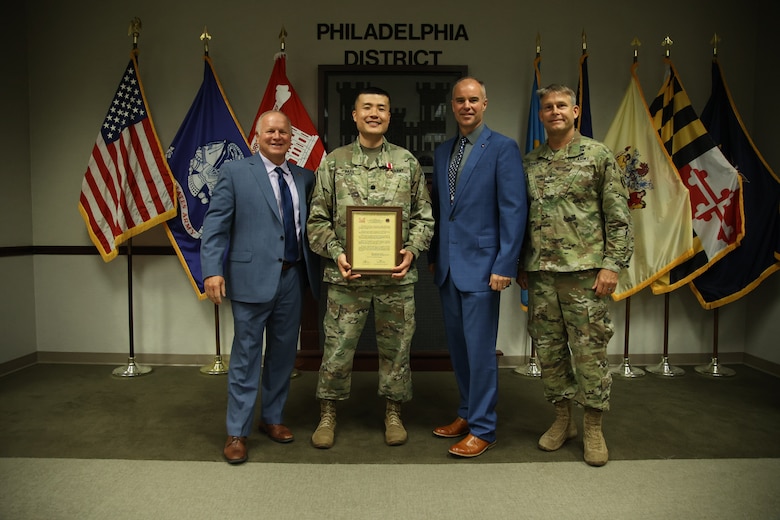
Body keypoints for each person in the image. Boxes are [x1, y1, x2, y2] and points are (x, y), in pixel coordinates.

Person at [307, 86, 434, 449]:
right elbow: (317, 220)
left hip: (396, 278)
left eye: (381, 108)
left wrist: (412, 250)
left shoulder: (407, 163)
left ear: (390, 116)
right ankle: (328, 412)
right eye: (367, 108)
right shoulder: (334, 162)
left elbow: (425, 217)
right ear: (354, 115)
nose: (374, 113)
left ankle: (394, 411)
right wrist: (336, 253)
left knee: (397, 349)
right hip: (347, 278)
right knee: (336, 348)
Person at [517, 84, 633, 467]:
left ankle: (594, 427)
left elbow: (618, 216)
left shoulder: (597, 155)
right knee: (549, 353)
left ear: (575, 110)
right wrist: (521, 264)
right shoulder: (531, 162)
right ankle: (562, 419)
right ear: (541, 114)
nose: (554, 112)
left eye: (561, 105)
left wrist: (612, 265)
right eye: (548, 107)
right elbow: (523, 219)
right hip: (541, 275)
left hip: (585, 274)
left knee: (589, 354)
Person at [200, 110, 320, 464]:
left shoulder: (305, 177)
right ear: (258, 135)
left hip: (292, 278)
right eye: (271, 131)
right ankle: (237, 431)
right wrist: (212, 271)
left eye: (283, 131)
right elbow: (215, 226)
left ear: (290, 137)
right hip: (250, 279)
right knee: (246, 356)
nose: (278, 136)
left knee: (283, 355)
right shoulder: (235, 173)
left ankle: (273, 418)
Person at [428, 77, 527, 458]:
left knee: (481, 351)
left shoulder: (502, 148)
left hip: (486, 269)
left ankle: (484, 429)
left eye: (473, 100)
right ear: (452, 106)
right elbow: (442, 212)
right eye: (459, 100)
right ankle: (467, 413)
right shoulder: (442, 151)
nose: (466, 106)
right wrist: (435, 255)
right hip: (449, 268)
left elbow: (513, 210)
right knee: (460, 349)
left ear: (485, 103)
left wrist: (505, 262)